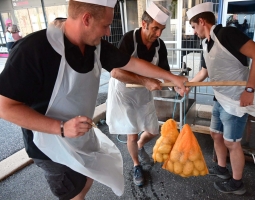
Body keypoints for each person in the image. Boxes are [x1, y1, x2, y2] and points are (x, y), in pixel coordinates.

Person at [0, 0, 188, 199]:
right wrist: (61, 127)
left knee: (87, 180)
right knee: (76, 192)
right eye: (106, 25)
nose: (108, 32)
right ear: (86, 19)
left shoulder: (96, 47)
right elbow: (5, 107)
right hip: (48, 142)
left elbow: (132, 63)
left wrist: (173, 78)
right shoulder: (33, 50)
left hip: (79, 134)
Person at [181, 2, 255, 195]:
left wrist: (249, 89)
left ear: (201, 21)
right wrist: (187, 85)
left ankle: (237, 183)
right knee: (216, 134)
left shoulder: (228, 34)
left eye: (193, 27)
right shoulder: (206, 44)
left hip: (237, 100)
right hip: (219, 97)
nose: (193, 31)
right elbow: (205, 72)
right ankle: (222, 169)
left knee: (232, 142)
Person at [106, 2, 171, 186]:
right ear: (144, 24)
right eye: (155, 28)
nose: (159, 34)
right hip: (125, 93)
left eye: (162, 29)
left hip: (143, 94)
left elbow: (164, 73)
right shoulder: (129, 39)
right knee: (132, 135)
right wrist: (145, 80)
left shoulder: (159, 46)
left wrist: (177, 84)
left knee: (152, 130)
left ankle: (141, 146)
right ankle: (136, 165)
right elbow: (115, 72)